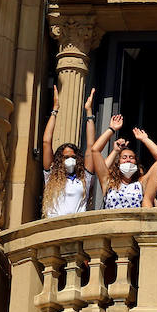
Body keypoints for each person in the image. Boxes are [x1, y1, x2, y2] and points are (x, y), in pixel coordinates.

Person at [40, 86, 98, 218]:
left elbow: (90, 145)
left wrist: (89, 112)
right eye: (66, 157)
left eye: (73, 157)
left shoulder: (84, 178)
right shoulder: (51, 177)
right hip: (54, 227)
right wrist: (55, 110)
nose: (70, 160)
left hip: (76, 229)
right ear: (60, 159)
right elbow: (46, 142)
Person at [89, 115, 157, 210]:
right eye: (124, 158)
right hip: (112, 224)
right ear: (118, 163)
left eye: (131, 157)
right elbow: (95, 150)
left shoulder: (141, 183)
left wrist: (145, 139)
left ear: (136, 163)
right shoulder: (108, 182)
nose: (128, 160)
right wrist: (112, 129)